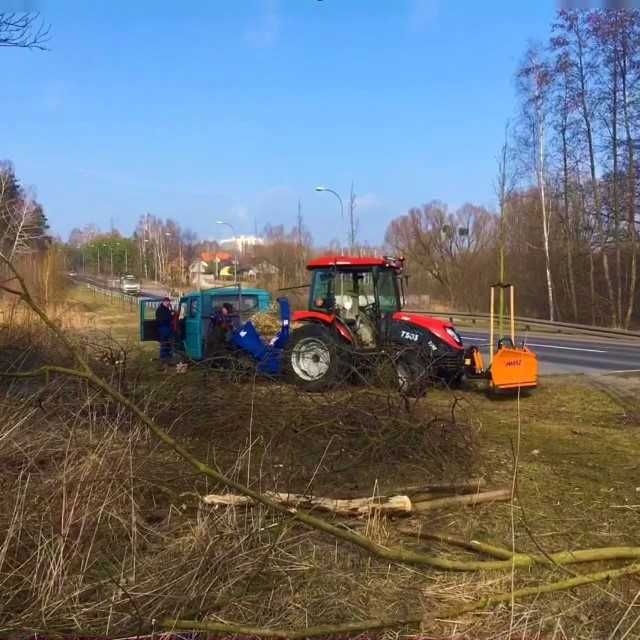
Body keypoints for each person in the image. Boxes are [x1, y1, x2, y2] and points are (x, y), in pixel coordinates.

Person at [155, 297, 174, 366]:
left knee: (168, 343)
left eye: (169, 302)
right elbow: (164, 318)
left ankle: (168, 357)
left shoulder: (166, 309)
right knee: (164, 342)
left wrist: (171, 314)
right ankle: (163, 358)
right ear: (164, 302)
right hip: (163, 327)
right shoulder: (160, 310)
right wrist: (171, 315)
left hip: (167, 327)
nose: (168, 303)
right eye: (167, 302)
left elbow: (169, 317)